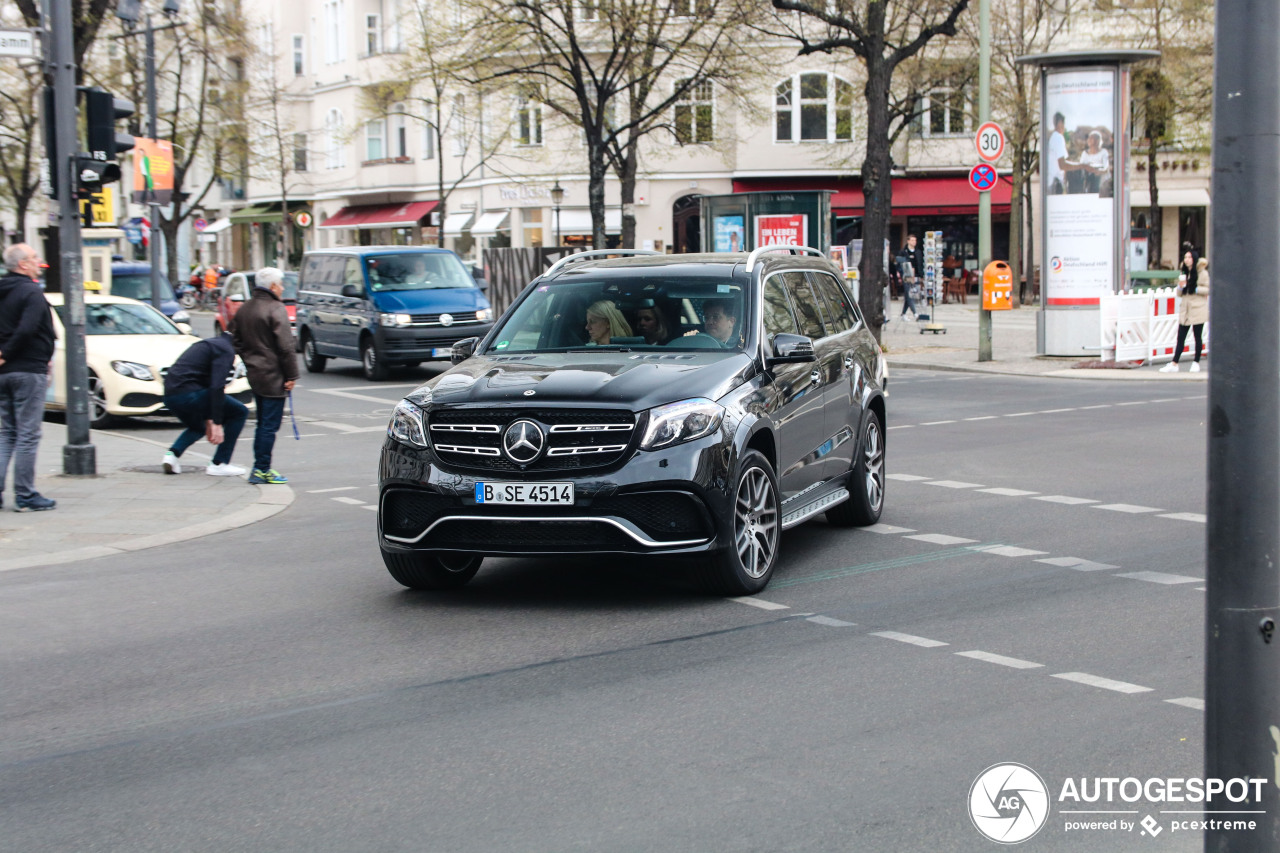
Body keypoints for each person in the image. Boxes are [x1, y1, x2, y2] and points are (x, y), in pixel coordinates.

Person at [0, 244, 57, 511]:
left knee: (7, 432)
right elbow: (28, 329)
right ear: (23, 265)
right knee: (27, 434)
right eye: (34, 257)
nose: (39, 261)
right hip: (27, 369)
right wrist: (6, 353)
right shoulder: (31, 291)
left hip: (3, 374)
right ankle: (25, 494)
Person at [230, 267, 299, 484]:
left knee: (262, 423)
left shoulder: (245, 309)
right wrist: (291, 375)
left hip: (255, 372)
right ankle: (261, 469)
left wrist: (249, 357)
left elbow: (235, 339)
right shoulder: (276, 308)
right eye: (280, 284)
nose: (282, 287)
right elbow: (286, 346)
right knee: (269, 425)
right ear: (272, 287)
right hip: (273, 374)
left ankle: (260, 467)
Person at [161, 329, 248, 476]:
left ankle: (172, 456)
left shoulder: (209, 344)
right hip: (189, 394)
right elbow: (217, 387)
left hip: (170, 396)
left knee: (198, 427)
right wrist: (217, 422)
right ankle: (219, 464)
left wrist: (209, 419)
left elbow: (205, 384)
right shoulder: (226, 350)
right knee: (239, 412)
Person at [1161, 256, 1210, 373]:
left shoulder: (1202, 273)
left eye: (1189, 257)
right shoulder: (1184, 272)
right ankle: (1174, 362)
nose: (1186, 259)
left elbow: (1208, 289)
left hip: (1197, 307)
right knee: (1181, 337)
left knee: (1197, 336)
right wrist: (1180, 286)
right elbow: (1179, 293)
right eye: (1185, 257)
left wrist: (1195, 289)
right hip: (1186, 308)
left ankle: (1196, 362)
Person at [895, 235, 921, 320]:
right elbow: (898, 264)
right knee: (909, 294)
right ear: (908, 241)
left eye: (915, 240)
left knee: (911, 295)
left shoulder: (918, 252)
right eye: (912, 240)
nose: (914, 242)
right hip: (906, 276)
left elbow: (919, 264)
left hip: (915, 276)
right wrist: (902, 272)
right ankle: (915, 313)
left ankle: (903, 314)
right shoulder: (903, 252)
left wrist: (920, 274)